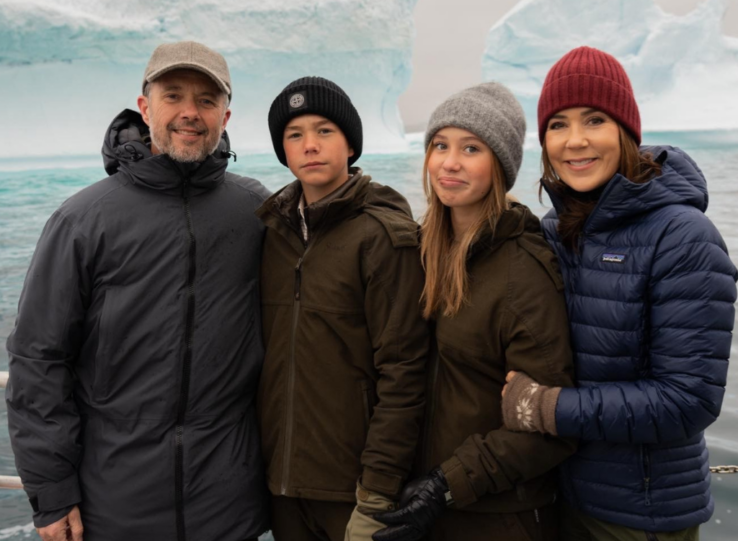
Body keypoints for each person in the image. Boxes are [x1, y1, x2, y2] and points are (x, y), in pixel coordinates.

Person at [6, 41, 270, 541]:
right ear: (146, 107)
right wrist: (52, 491)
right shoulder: (83, 220)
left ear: (226, 115)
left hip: (229, 503)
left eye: (207, 100)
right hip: (115, 504)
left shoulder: (254, 211)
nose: (190, 113)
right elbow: (39, 360)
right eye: (173, 96)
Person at [501, 46, 738, 540]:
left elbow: (688, 400)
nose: (576, 141)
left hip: (638, 516)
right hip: (562, 494)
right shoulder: (556, 229)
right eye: (558, 124)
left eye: (595, 120)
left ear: (626, 132)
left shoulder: (683, 236)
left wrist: (546, 408)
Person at [373, 83, 576, 541]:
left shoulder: (523, 271)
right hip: (429, 509)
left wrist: (447, 483)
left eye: (471, 148)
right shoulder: (425, 249)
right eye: (440, 145)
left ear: (499, 166)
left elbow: (550, 424)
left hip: (498, 516)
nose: (449, 162)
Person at [256, 76, 428, 541]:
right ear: (283, 151)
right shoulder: (273, 234)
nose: (310, 145)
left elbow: (405, 372)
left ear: (350, 143)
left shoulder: (383, 237)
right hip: (283, 488)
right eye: (295, 135)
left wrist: (377, 492)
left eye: (325, 130)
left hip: (352, 490)